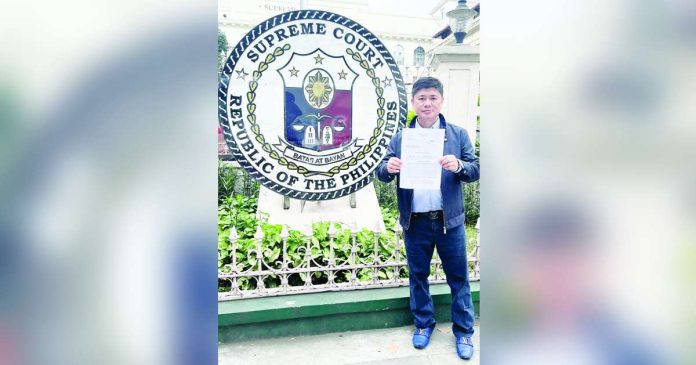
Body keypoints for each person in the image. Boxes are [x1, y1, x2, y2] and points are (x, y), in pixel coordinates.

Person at [376, 77, 480, 360]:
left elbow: (475, 169)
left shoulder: (457, 135)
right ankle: (423, 325)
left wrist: (458, 165)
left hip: (450, 222)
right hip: (417, 221)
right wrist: (390, 167)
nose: (427, 103)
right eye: (421, 98)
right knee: (418, 276)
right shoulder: (401, 138)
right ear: (413, 103)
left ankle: (464, 332)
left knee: (459, 279)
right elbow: (381, 171)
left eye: (433, 97)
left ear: (441, 101)